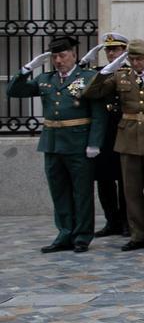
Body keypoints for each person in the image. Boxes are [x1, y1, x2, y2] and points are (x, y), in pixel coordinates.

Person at [7, 35, 105, 253]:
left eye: (62, 55)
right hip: (52, 143)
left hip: (79, 144)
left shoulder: (88, 77)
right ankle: (64, 233)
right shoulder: (46, 79)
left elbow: (99, 115)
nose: (59, 61)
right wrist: (26, 69)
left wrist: (94, 143)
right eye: (55, 57)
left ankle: (81, 236)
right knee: (59, 191)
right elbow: (14, 91)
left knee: (81, 192)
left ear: (74, 55)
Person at [83, 39, 144, 252]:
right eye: (132, 59)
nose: (136, 63)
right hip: (128, 139)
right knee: (131, 191)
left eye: (139, 59)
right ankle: (137, 234)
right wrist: (104, 72)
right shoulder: (120, 76)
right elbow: (92, 93)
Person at [81, 32, 130, 237]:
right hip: (103, 133)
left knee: (126, 180)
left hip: (125, 130)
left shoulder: (130, 72)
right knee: (104, 180)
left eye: (115, 49)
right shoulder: (98, 73)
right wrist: (83, 65)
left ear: (124, 52)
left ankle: (128, 221)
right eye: (109, 50)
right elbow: (86, 92)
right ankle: (112, 221)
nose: (111, 53)